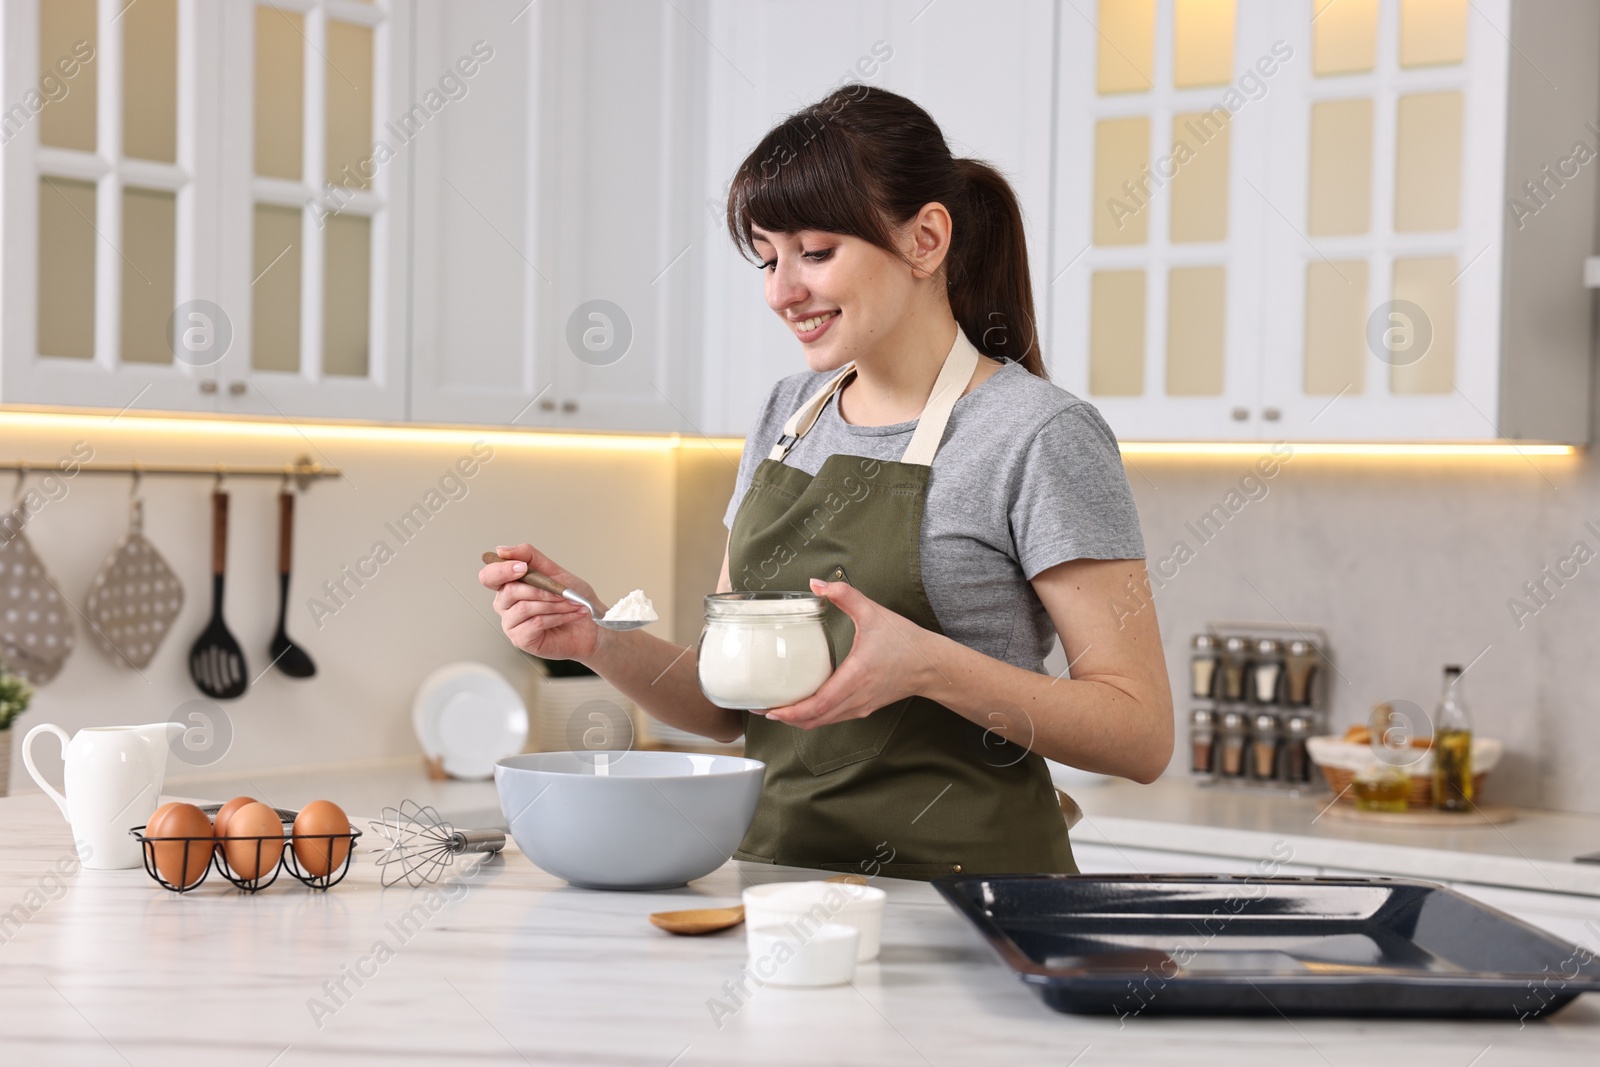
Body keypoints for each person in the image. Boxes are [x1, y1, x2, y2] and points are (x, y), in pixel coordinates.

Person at [481, 86, 1172, 879]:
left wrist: (927, 665)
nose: (781, 292)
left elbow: (1140, 732)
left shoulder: (1037, 434)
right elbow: (724, 705)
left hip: (971, 907)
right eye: (768, 258)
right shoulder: (787, 417)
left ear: (926, 239)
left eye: (814, 252)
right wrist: (597, 637)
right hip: (777, 888)